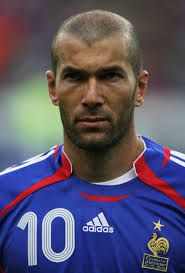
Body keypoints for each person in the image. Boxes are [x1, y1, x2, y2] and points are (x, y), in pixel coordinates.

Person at [0, 10, 185, 273]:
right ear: (53, 88)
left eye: (110, 76)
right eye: (75, 77)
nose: (92, 96)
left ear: (140, 88)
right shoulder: (7, 196)